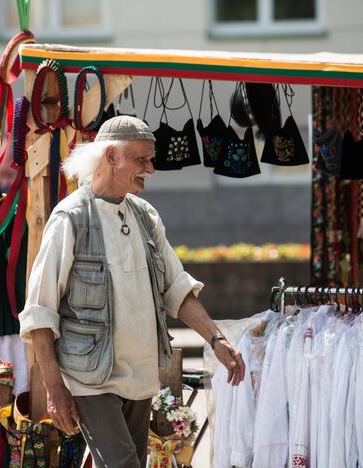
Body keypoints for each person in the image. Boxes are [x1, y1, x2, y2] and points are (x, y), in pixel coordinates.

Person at [19, 116, 246, 467]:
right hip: (91, 378)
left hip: (140, 378)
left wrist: (217, 340)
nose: (151, 169)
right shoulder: (71, 218)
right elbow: (40, 313)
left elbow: (177, 288)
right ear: (111, 156)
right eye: (142, 159)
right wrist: (55, 388)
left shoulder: (144, 215)